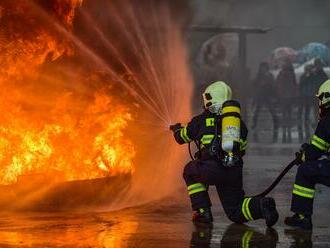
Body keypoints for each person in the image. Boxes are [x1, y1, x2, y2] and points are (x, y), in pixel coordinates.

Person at [170, 81, 279, 227]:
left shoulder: (200, 120)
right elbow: (243, 148)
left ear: (210, 99)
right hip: (233, 170)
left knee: (190, 170)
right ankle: (262, 205)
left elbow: (181, 138)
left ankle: (203, 212)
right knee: (235, 211)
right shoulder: (236, 122)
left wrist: (177, 129)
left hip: (211, 169)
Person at [285, 79, 330, 230]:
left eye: (321, 98)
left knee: (305, 171)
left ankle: (302, 217)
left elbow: (315, 151)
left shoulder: (327, 121)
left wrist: (303, 156)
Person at [252, 62, 279, 142]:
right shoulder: (259, 75)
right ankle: (254, 124)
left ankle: (276, 124)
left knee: (272, 110)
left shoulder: (269, 75)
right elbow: (255, 84)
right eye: (262, 67)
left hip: (267, 95)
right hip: (261, 95)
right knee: (257, 110)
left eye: (264, 67)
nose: (262, 69)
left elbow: (272, 85)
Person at [276, 59, 297, 143]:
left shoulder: (282, 73)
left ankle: (285, 123)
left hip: (284, 94)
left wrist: (279, 92)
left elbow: (278, 83)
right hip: (289, 94)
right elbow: (294, 84)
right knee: (288, 110)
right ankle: (287, 122)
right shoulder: (291, 73)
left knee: (285, 109)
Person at [298, 64, 315, 142]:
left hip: (309, 95)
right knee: (302, 108)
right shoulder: (303, 76)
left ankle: (306, 119)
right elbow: (301, 84)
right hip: (304, 95)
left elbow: (313, 84)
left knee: (308, 108)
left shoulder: (312, 76)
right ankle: (302, 120)